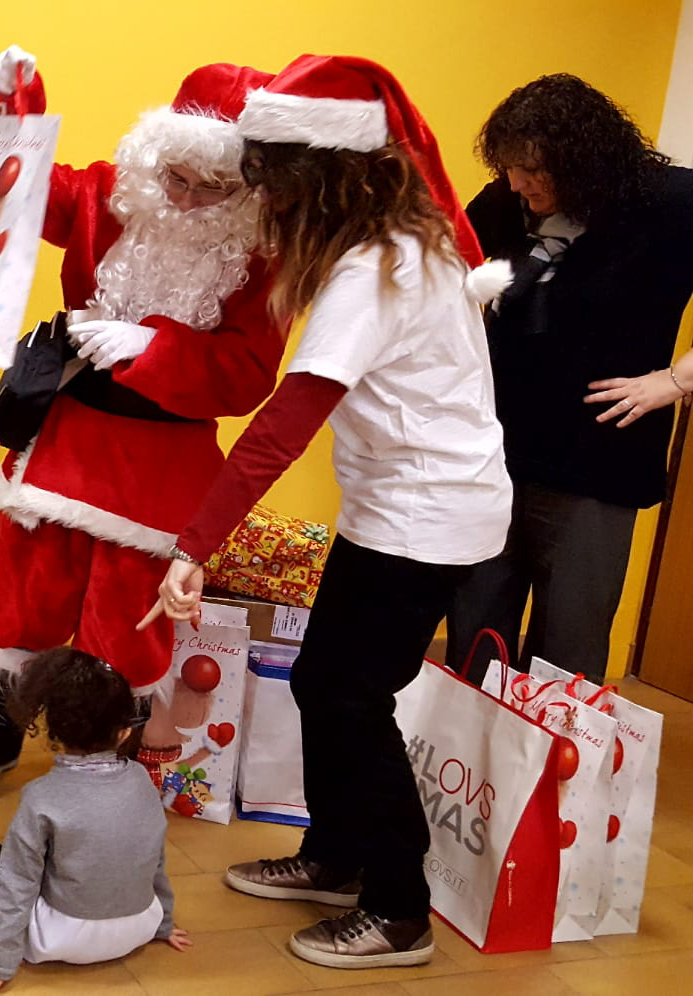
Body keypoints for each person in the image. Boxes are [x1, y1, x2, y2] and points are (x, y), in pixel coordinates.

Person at [147, 55, 511, 969]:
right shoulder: (398, 247)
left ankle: (399, 910)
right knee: (325, 681)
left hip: (427, 520)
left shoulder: (378, 272)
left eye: (274, 184)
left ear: (325, 178)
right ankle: (338, 856)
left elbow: (281, 428)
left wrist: (194, 546)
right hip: (401, 508)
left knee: (352, 696)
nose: (266, 202)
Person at [0, 46, 289, 804]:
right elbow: (22, 190)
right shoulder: (109, 191)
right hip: (66, 436)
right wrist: (8, 112)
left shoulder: (264, 256)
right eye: (176, 178)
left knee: (126, 628)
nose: (188, 199)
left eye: (212, 187)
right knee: (20, 600)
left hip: (165, 462)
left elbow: (248, 375)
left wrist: (153, 347)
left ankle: (103, 772)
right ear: (154, 157)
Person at [447, 74, 693, 684]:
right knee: (473, 642)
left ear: (584, 160)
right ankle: (465, 751)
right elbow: (438, 267)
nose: (516, 183)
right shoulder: (506, 202)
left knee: (566, 662)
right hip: (492, 455)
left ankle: (548, 754)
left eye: (533, 169)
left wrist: (675, 381)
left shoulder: (672, 203)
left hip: (596, 466)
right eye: (508, 167)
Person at [0, 647, 189, 995]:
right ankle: (0, 918)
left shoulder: (40, 796)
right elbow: (154, 860)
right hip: (141, 927)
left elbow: (17, 883)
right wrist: (163, 923)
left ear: (53, 734)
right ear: (124, 733)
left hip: (57, 938)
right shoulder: (143, 780)